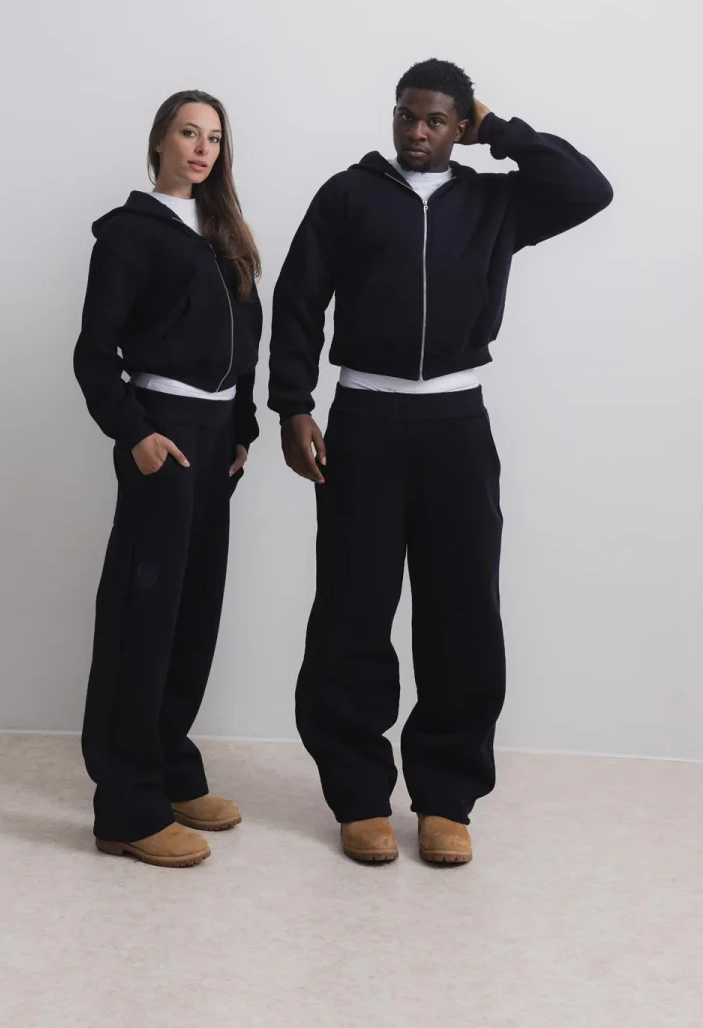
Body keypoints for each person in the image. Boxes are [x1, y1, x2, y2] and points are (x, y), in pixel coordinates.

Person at [268, 59, 613, 865]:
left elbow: (588, 189)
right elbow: (297, 300)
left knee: (462, 611)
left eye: (434, 120)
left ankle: (445, 799)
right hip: (363, 421)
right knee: (352, 608)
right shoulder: (347, 195)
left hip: (456, 425)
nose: (415, 132)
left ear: (461, 125)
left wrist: (501, 131)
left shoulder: (495, 202)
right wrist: (291, 404)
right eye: (404, 115)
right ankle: (358, 796)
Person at [74, 90, 262, 868]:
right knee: (142, 618)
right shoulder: (130, 234)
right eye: (188, 132)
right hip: (163, 432)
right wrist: (136, 434)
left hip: (216, 442)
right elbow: (93, 353)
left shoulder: (224, 235)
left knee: (193, 612)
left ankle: (169, 768)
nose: (202, 147)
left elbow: (247, 339)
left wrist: (243, 429)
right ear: (159, 140)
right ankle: (126, 807)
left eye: (213, 136)